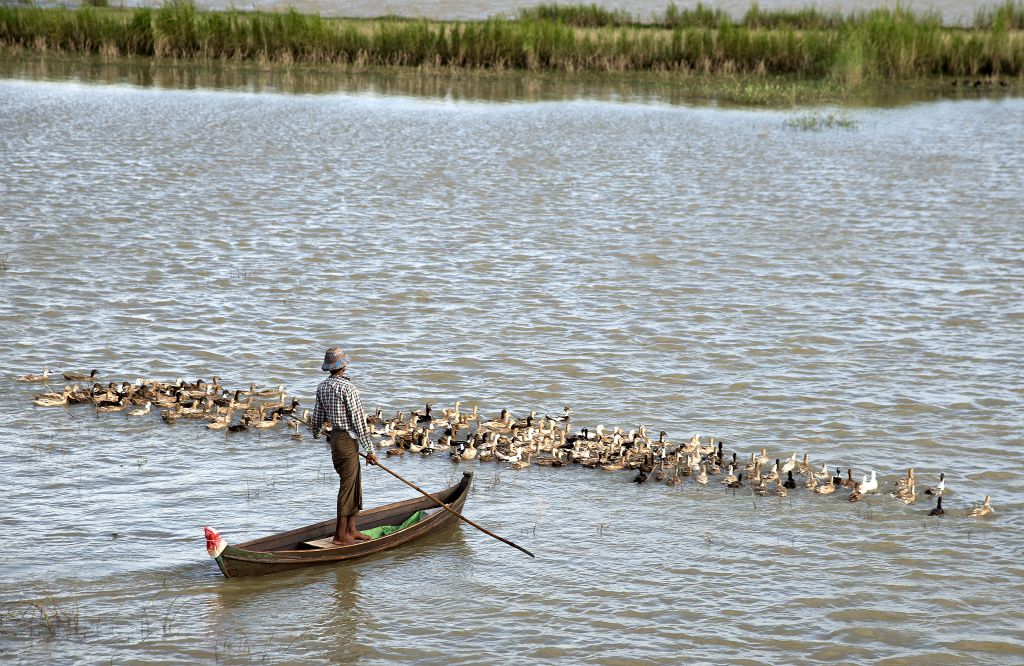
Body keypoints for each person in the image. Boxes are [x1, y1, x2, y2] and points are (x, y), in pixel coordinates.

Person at [310, 347, 379, 546]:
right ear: (344, 366)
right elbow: (359, 423)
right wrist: (370, 451)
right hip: (348, 441)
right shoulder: (349, 389)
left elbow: (318, 416)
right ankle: (340, 535)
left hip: (337, 439)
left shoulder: (322, 387)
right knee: (347, 486)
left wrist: (315, 432)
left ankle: (351, 529)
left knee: (354, 481)